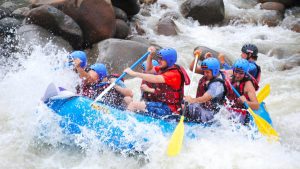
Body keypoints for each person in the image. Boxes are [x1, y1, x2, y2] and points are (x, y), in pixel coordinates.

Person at [124, 47, 190, 118]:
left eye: (161, 59)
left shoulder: (174, 74)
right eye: (158, 58)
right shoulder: (165, 68)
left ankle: (126, 123)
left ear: (169, 60)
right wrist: (150, 56)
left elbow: (155, 78)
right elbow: (149, 70)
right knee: (128, 100)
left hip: (169, 109)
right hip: (162, 104)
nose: (159, 60)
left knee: (133, 105)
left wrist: (134, 73)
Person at [184, 57, 227, 123]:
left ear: (215, 71)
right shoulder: (210, 73)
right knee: (182, 101)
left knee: (187, 106)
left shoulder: (217, 85)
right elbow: (192, 68)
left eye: (207, 72)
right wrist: (196, 58)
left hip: (211, 115)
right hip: (202, 107)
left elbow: (204, 99)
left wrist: (192, 100)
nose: (204, 74)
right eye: (204, 71)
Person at [223, 58, 259, 124]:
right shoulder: (231, 73)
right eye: (236, 72)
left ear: (245, 73)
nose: (237, 75)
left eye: (241, 73)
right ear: (234, 70)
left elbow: (256, 106)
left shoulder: (248, 85)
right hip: (229, 109)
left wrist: (246, 102)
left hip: (242, 114)